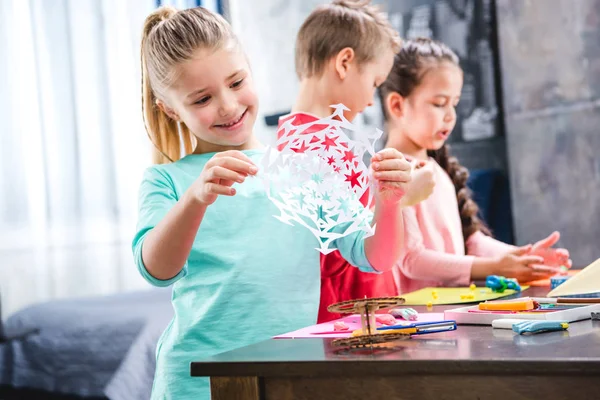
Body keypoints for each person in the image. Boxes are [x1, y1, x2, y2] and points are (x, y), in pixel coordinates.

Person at [134, 6, 413, 398]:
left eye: (236, 82)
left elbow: (375, 256)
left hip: (287, 379)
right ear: (169, 108)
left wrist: (389, 203)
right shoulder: (166, 180)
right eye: (202, 99)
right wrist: (196, 199)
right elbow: (156, 270)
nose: (228, 106)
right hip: (196, 385)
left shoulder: (305, 167)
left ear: (250, 69)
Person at [378, 37, 571, 294]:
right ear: (397, 105)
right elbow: (412, 261)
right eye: (439, 103)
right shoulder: (390, 174)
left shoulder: (437, 171)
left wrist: (523, 258)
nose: (450, 115)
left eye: (454, 104)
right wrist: (494, 267)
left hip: (454, 312)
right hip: (419, 320)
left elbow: (471, 241)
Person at [284, 0, 435, 322]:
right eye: (375, 83)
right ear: (345, 63)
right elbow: (342, 253)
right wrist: (402, 197)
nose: (371, 100)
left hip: (359, 320)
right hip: (352, 326)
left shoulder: (304, 141)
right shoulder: (319, 145)